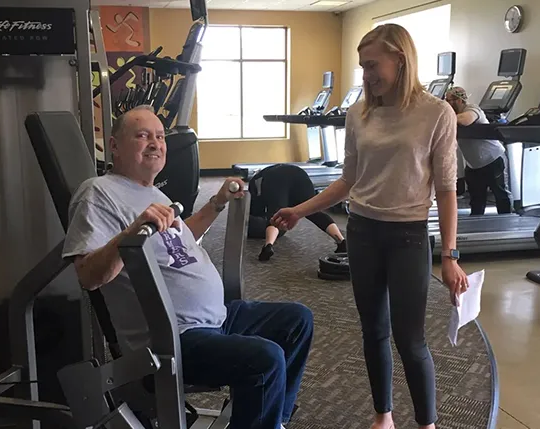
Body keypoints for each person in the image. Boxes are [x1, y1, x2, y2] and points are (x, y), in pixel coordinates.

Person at [62, 105, 314, 429]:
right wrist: (132, 233)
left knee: (297, 320)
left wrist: (217, 202)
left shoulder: (153, 192)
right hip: (172, 337)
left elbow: (181, 240)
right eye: (142, 136)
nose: (155, 143)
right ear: (114, 146)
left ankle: (272, 422)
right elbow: (88, 276)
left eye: (159, 136)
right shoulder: (98, 193)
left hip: (217, 318)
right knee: (265, 360)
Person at [271, 24, 469, 429]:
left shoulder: (437, 113)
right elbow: (349, 180)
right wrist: (300, 210)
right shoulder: (358, 112)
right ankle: (384, 415)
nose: (366, 76)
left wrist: (450, 255)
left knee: (410, 340)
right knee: (373, 330)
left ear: (400, 58)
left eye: (372, 65)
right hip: (362, 231)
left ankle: (426, 423)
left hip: (409, 236)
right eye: (362, 67)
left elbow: (447, 189)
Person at [247, 163, 347, 261]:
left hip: (276, 179)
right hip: (300, 175)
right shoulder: (269, 172)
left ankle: (268, 246)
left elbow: (257, 212)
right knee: (314, 212)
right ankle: (341, 241)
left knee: (275, 215)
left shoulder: (254, 182)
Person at [445, 86, 512, 215]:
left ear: (461, 100)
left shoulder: (473, 109)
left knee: (501, 195)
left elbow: (466, 120)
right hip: (474, 165)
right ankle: (475, 226)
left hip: (493, 159)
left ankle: (506, 222)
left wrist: (444, 117)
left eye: (452, 100)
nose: (449, 103)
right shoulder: (452, 115)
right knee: (476, 200)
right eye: (447, 100)